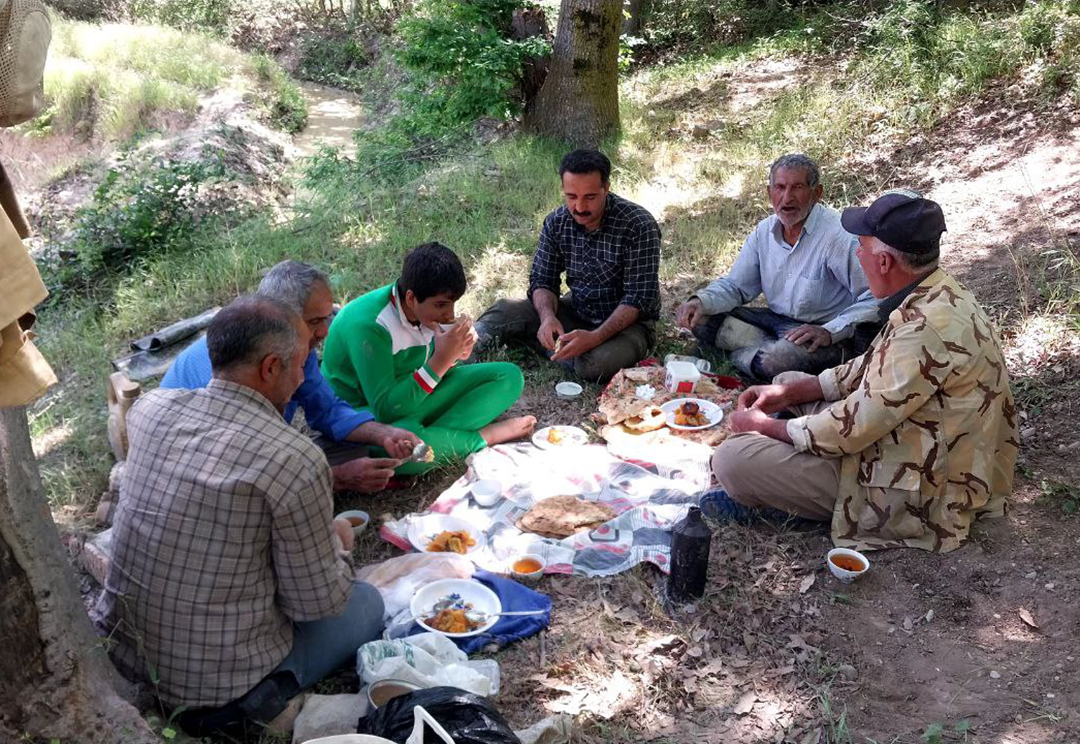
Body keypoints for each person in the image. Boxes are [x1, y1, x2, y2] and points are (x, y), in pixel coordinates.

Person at [93, 296, 385, 737]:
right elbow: (317, 603)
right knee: (366, 603)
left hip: (126, 651)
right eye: (303, 363)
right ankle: (266, 701)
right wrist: (338, 543)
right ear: (271, 367)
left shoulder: (151, 410)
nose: (306, 375)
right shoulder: (293, 458)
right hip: (216, 690)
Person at [703, 192, 1018, 553]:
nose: (857, 254)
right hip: (914, 443)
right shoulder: (939, 292)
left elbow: (848, 431)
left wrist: (765, 428)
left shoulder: (924, 330)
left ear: (883, 262)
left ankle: (789, 502)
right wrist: (793, 394)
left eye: (862, 247)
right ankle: (784, 471)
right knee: (786, 383)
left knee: (731, 460)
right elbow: (873, 365)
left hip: (920, 488)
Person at [161, 260, 419, 493]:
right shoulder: (234, 372)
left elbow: (327, 409)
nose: (325, 332)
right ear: (281, 320)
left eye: (327, 318)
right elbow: (238, 470)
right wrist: (338, 479)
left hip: (252, 453)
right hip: (204, 474)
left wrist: (383, 434)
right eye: (315, 321)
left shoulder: (295, 351)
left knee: (352, 451)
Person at [321, 242, 534, 473]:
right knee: (403, 447)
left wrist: (455, 353)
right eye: (441, 305)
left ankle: (436, 438)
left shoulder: (425, 312)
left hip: (414, 400)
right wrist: (441, 361)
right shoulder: (369, 326)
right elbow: (386, 409)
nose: (450, 314)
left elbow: (428, 369)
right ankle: (480, 438)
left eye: (453, 304)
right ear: (411, 298)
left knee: (508, 377)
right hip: (368, 416)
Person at [675, 153, 880, 381]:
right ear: (769, 192)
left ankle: (743, 354)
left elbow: (874, 297)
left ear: (817, 193)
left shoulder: (837, 236)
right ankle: (757, 350)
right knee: (702, 319)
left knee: (776, 360)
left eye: (798, 188)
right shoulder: (764, 231)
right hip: (774, 321)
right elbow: (736, 286)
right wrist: (700, 301)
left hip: (821, 332)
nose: (787, 197)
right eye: (780, 187)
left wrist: (829, 331)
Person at [472, 149, 662, 382]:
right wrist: (548, 318)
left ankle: (546, 344)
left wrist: (594, 338)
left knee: (596, 364)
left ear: (607, 188)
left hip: (627, 325)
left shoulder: (638, 225)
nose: (580, 207)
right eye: (571, 197)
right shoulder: (557, 222)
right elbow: (543, 280)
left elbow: (637, 300)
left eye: (590, 197)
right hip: (577, 309)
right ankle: (460, 355)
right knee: (504, 310)